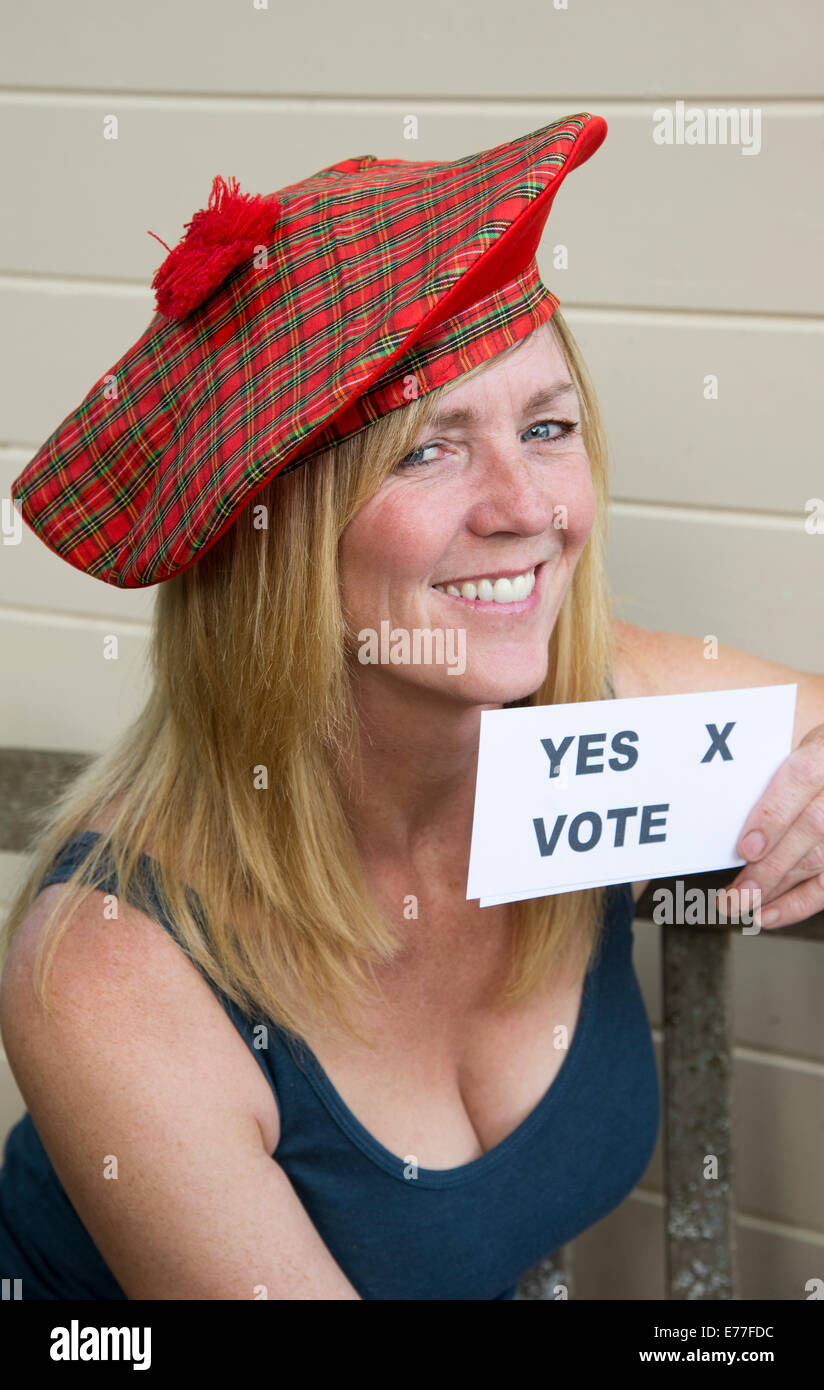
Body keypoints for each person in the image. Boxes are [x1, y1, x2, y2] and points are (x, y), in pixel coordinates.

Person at [1, 115, 822, 1301]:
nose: (524, 506)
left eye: (546, 428)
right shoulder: (112, 970)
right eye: (426, 453)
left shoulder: (591, 699)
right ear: (277, 546)